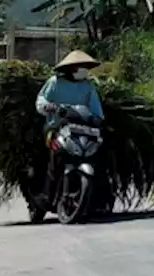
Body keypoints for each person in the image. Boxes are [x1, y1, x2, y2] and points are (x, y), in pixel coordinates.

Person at [34, 50, 104, 205]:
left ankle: (100, 196)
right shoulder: (54, 83)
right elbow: (40, 102)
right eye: (80, 67)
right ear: (70, 69)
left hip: (81, 129)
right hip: (56, 128)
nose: (83, 70)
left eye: (85, 67)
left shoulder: (88, 86)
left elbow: (96, 111)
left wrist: (97, 120)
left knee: (101, 155)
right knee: (56, 156)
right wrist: (51, 108)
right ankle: (48, 194)